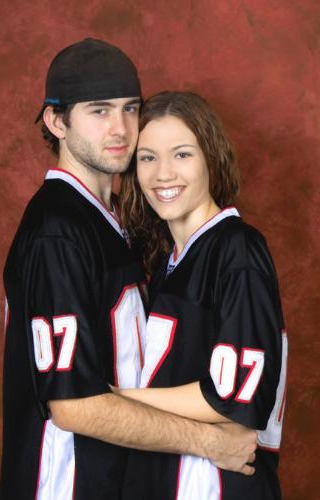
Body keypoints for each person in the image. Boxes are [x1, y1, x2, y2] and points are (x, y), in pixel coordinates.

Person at [0, 41, 257, 500]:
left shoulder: (119, 218)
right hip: (66, 484)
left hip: (120, 479)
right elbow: (73, 407)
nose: (120, 129)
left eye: (130, 109)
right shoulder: (57, 230)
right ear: (56, 121)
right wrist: (210, 442)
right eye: (99, 111)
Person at [118, 91, 288, 499]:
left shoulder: (237, 250)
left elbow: (232, 397)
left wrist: (115, 401)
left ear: (211, 157)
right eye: (147, 157)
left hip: (218, 486)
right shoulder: (169, 260)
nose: (163, 174)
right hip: (168, 479)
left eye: (181, 155)